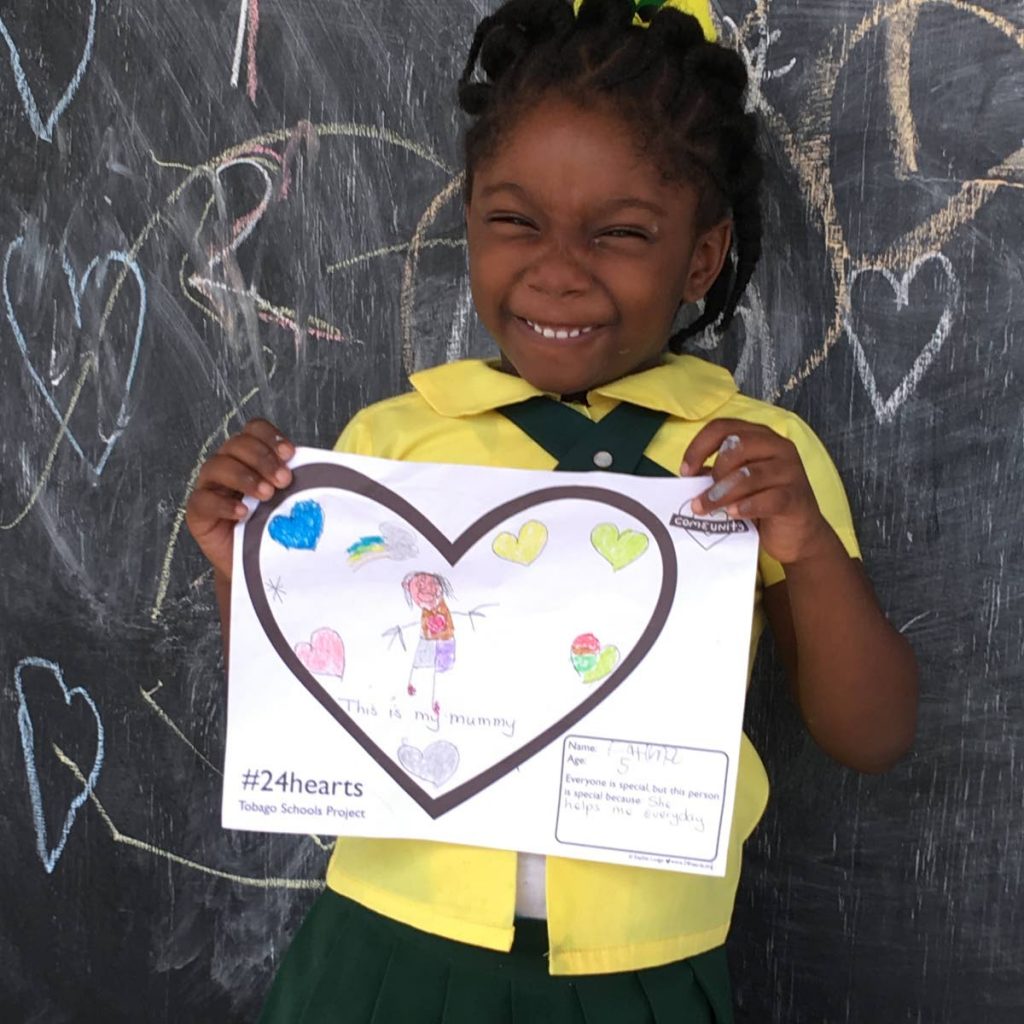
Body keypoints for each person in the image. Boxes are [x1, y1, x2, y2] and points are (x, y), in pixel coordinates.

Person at [185, 1, 918, 1019]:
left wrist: (807, 549)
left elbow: (869, 732)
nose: (558, 270)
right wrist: (245, 571)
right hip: (387, 945)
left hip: (638, 971)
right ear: (472, 219)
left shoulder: (753, 465)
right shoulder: (395, 445)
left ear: (700, 259)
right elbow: (315, 714)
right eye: (514, 221)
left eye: (619, 234)